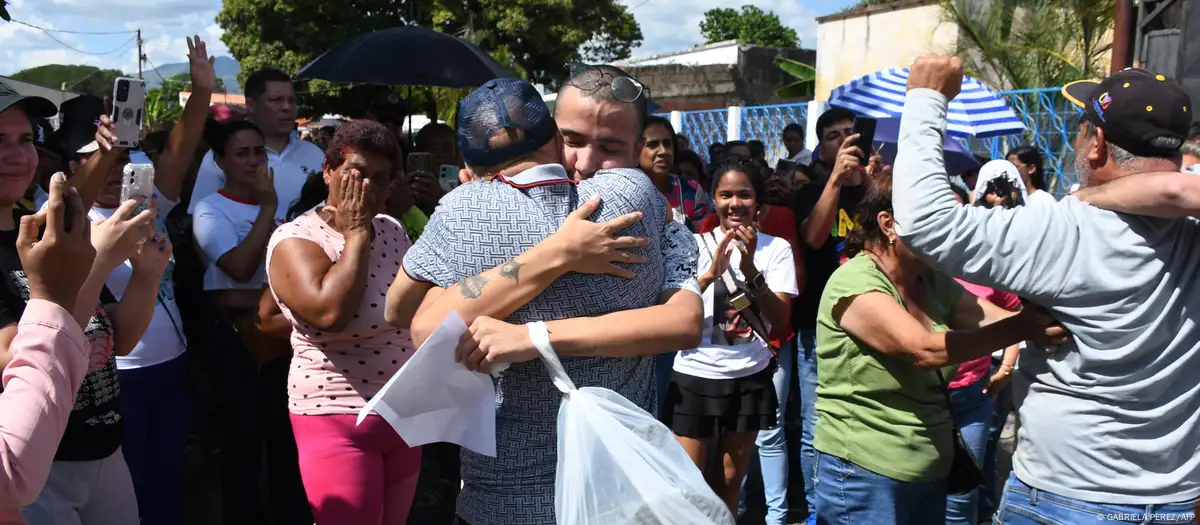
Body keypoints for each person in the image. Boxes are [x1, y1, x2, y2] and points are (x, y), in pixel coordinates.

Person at [894, 56, 1200, 524]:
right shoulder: (1191, 232)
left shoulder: (1063, 228)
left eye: (1081, 129)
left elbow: (926, 224)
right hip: (1173, 502)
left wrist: (925, 97)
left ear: (1095, 143)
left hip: (1064, 498)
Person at [387, 76, 702, 525]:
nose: (586, 161)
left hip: (508, 501)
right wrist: (559, 251)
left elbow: (401, 311)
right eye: (574, 140)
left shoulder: (465, 209)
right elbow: (420, 324)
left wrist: (531, 336)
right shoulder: (641, 199)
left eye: (609, 147)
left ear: (640, 148)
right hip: (617, 494)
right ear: (554, 137)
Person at [812, 170, 1063, 525]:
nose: (946, 234)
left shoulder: (930, 280)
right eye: (933, 220)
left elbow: (988, 316)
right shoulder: (854, 282)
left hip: (928, 470)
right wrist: (1023, 327)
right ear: (888, 223)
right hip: (864, 474)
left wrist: (1049, 313)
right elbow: (923, 350)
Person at [266, 120, 421, 524]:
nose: (368, 187)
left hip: (401, 411)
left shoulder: (391, 229)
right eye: (356, 173)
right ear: (328, 171)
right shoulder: (296, 240)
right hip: (335, 416)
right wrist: (354, 235)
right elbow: (330, 313)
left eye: (381, 179)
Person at [190, 120, 310, 525]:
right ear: (220, 160)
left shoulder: (281, 201)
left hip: (282, 336)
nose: (254, 161)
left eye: (259, 151)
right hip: (236, 339)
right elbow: (239, 268)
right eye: (241, 153)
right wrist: (269, 210)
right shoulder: (209, 209)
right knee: (242, 445)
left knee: (286, 443)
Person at [664, 161, 796, 516]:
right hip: (694, 376)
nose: (735, 203)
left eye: (744, 194)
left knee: (728, 480)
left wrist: (751, 268)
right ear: (714, 198)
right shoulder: (691, 245)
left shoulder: (777, 249)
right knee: (687, 482)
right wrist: (708, 276)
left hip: (748, 379)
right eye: (725, 194)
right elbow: (670, 307)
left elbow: (780, 320)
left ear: (758, 202)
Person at [788, 106, 869, 524]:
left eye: (850, 133)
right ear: (822, 148)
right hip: (821, 328)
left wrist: (873, 181)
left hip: (874, 326)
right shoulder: (809, 192)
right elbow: (815, 236)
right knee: (816, 425)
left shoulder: (877, 191)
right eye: (835, 135)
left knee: (864, 422)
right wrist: (837, 179)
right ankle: (821, 511)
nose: (844, 140)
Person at [0, 174, 96, 524]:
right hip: (50, 461)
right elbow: (11, 471)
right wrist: (52, 297)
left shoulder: (34, 236)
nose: (15, 155)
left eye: (25, 140)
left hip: (95, 441)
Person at [947, 168, 1023, 525]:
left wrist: (1005, 369)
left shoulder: (986, 264)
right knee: (924, 489)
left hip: (974, 396)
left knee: (963, 495)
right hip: (925, 398)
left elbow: (1016, 314)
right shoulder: (920, 266)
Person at [188, 68, 324, 219]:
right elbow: (202, 218)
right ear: (251, 105)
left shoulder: (315, 154)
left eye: (291, 100)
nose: (287, 107)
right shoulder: (222, 157)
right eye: (276, 100)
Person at [640, 116, 711, 232]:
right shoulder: (626, 193)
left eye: (668, 144)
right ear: (636, 151)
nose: (663, 151)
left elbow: (704, 238)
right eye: (653, 145)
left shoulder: (691, 191)